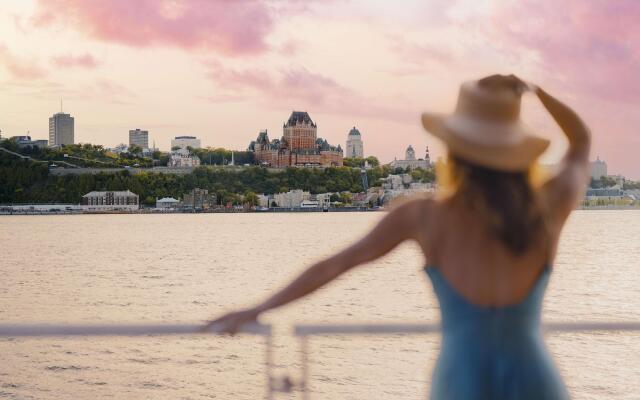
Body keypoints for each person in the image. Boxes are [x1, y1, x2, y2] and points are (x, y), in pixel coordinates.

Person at [205, 74, 591, 399]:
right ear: (516, 150)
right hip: (535, 381)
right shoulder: (546, 209)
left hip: (461, 382)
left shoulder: (425, 215)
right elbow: (580, 141)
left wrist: (258, 309)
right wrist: (532, 89)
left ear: (454, 150)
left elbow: (336, 264)